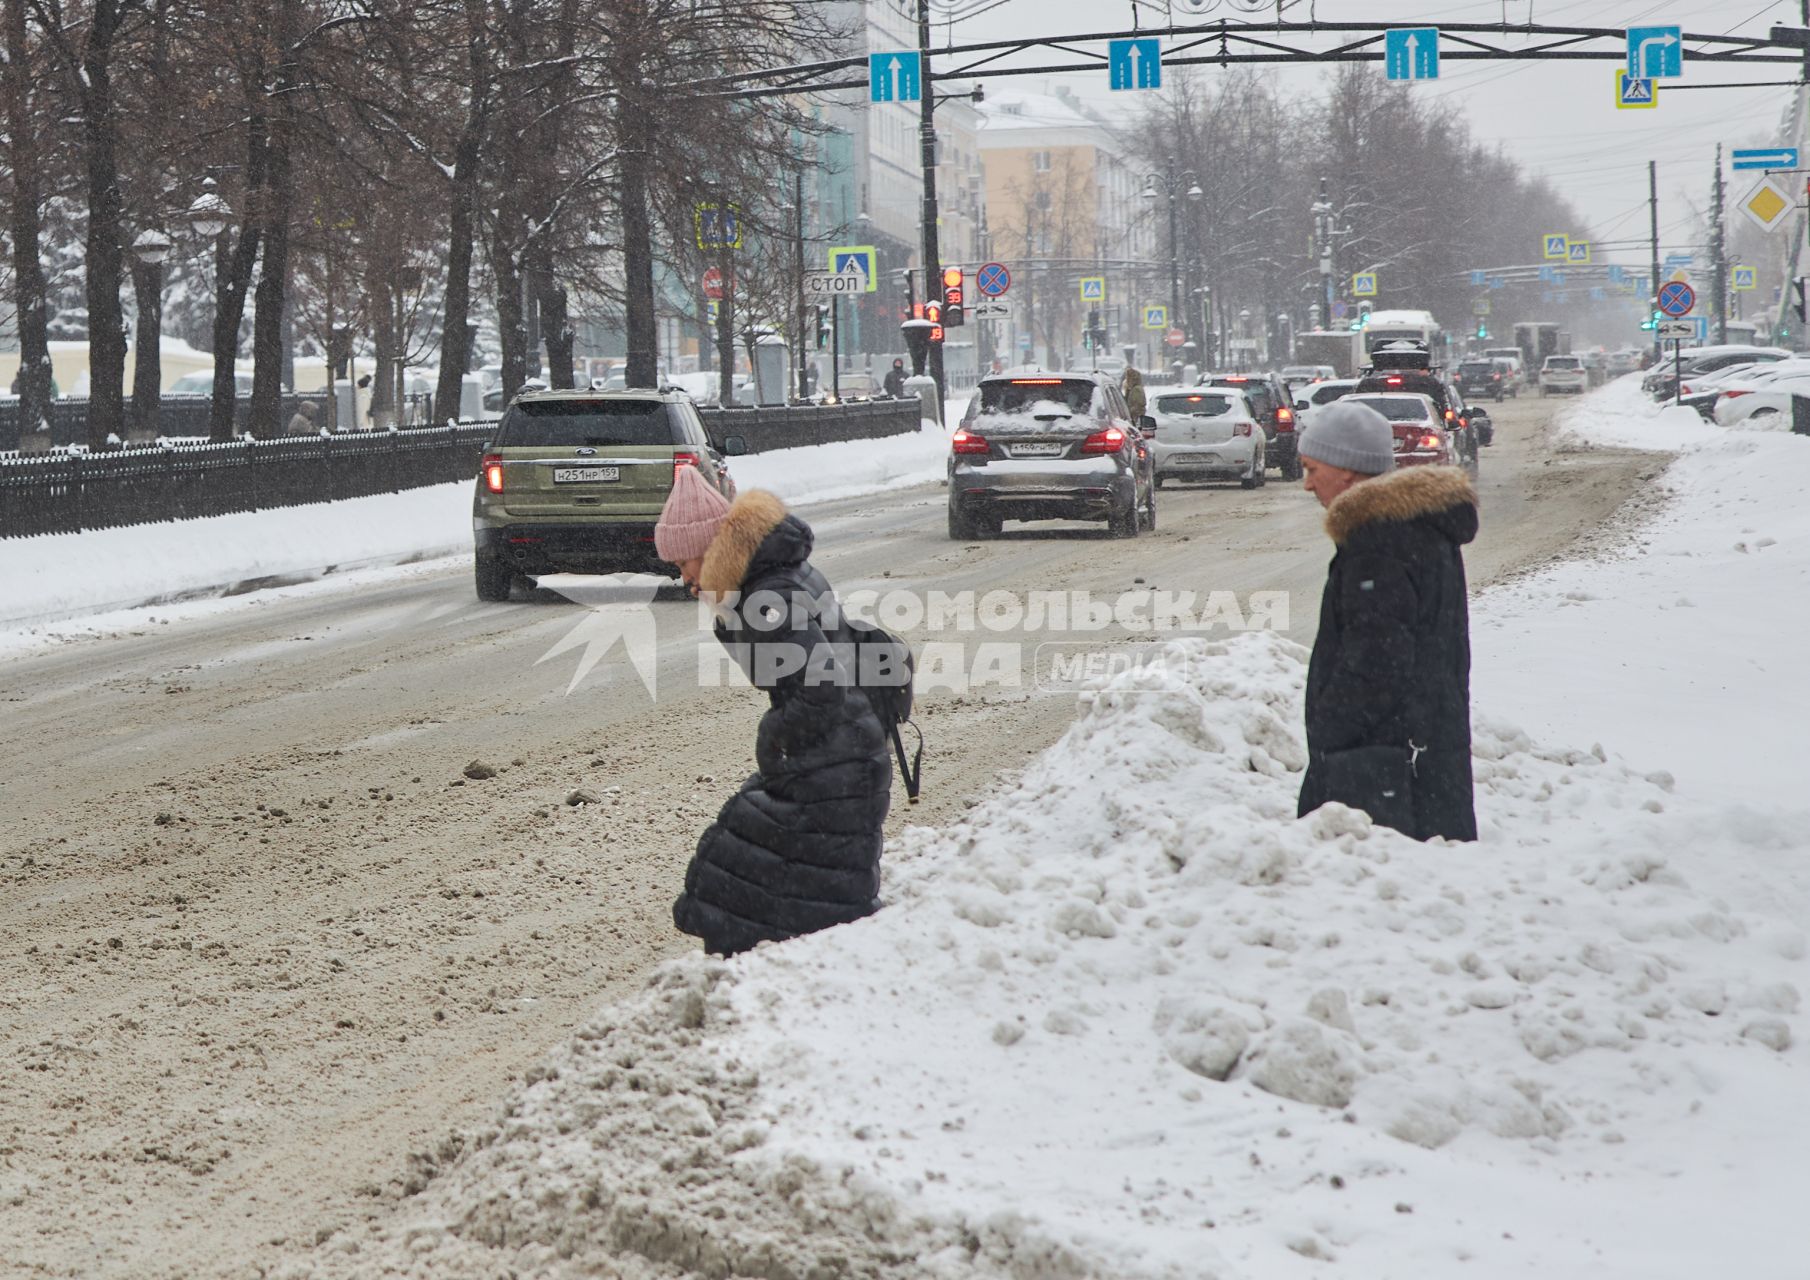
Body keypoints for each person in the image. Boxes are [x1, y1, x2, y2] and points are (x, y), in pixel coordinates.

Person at [654, 465, 893, 956]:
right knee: (755, 860)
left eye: (686, 562)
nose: (685, 578)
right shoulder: (778, 571)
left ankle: (779, 952)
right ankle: (812, 941)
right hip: (849, 751)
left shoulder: (767, 596)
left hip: (836, 763)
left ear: (713, 547)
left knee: (735, 863)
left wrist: (774, 735)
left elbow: (820, 687)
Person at [1294, 400, 1478, 842]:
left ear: (1348, 472)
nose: (1306, 485)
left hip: (1380, 771)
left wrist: (1330, 732)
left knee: (1374, 889)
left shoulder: (1379, 544)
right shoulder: (1416, 529)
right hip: (1424, 760)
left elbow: (1378, 659)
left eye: (1311, 469)